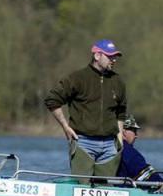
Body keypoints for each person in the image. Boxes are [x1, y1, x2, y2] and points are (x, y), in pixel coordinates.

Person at [44, 39, 127, 182]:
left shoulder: (118, 81)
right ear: (97, 56)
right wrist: (65, 126)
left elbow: (121, 113)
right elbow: (52, 100)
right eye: (110, 56)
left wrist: (119, 140)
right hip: (83, 143)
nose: (113, 60)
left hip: (109, 146)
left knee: (106, 190)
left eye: (115, 57)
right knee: (80, 186)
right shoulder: (77, 78)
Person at [117, 115, 163, 184]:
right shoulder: (129, 152)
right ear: (124, 132)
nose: (136, 136)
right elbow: (149, 177)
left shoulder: (107, 147)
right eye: (134, 131)